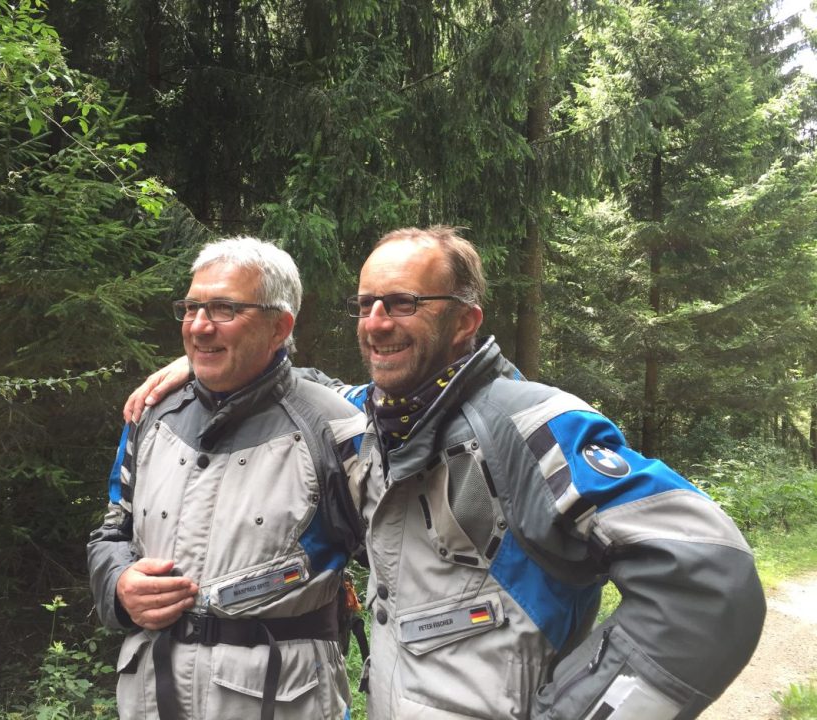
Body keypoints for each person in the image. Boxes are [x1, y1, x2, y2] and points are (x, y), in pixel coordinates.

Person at [124, 226, 766, 719]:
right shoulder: (371, 420)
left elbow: (712, 579)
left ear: (465, 321)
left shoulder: (533, 425)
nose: (377, 323)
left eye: (404, 302)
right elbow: (300, 387)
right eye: (366, 304)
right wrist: (211, 361)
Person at [88, 236, 366, 720]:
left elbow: (399, 561)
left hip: (285, 702)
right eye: (191, 308)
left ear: (279, 327)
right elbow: (113, 531)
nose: (199, 325)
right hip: (152, 699)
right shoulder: (150, 417)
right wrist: (117, 585)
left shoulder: (336, 429)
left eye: (224, 309)